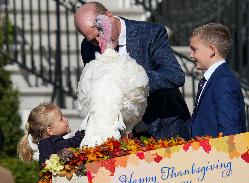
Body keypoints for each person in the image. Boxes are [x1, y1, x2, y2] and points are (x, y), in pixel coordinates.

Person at [74, 2, 190, 139]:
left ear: (109, 16)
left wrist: (131, 81)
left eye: (100, 33)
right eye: (92, 40)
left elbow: (175, 75)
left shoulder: (150, 33)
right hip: (125, 137)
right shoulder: (87, 47)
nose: (99, 43)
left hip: (165, 130)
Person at [189, 23, 246, 138]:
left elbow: (230, 133)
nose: (191, 55)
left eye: (194, 49)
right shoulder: (214, 78)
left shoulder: (224, 82)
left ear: (211, 50)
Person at [17, 102, 85, 166]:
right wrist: (83, 131)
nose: (66, 119)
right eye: (61, 119)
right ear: (50, 130)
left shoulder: (45, 145)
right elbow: (73, 143)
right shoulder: (53, 143)